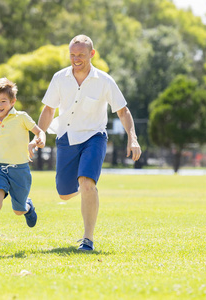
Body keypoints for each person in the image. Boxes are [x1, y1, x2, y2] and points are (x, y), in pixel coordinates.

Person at [37, 34, 141, 251]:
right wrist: (39, 134)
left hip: (94, 137)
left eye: (81, 55)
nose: (76, 59)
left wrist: (133, 138)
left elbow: (123, 111)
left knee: (87, 183)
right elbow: (48, 109)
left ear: (91, 54)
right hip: (66, 137)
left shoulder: (104, 81)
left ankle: (87, 239)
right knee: (64, 194)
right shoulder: (59, 78)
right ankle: (86, 190)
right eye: (72, 54)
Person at [0, 77, 46, 255]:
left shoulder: (22, 117)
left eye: (3, 101)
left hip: (20, 170)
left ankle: (27, 206)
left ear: (12, 102)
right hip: (0, 169)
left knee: (18, 211)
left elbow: (38, 131)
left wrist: (39, 139)